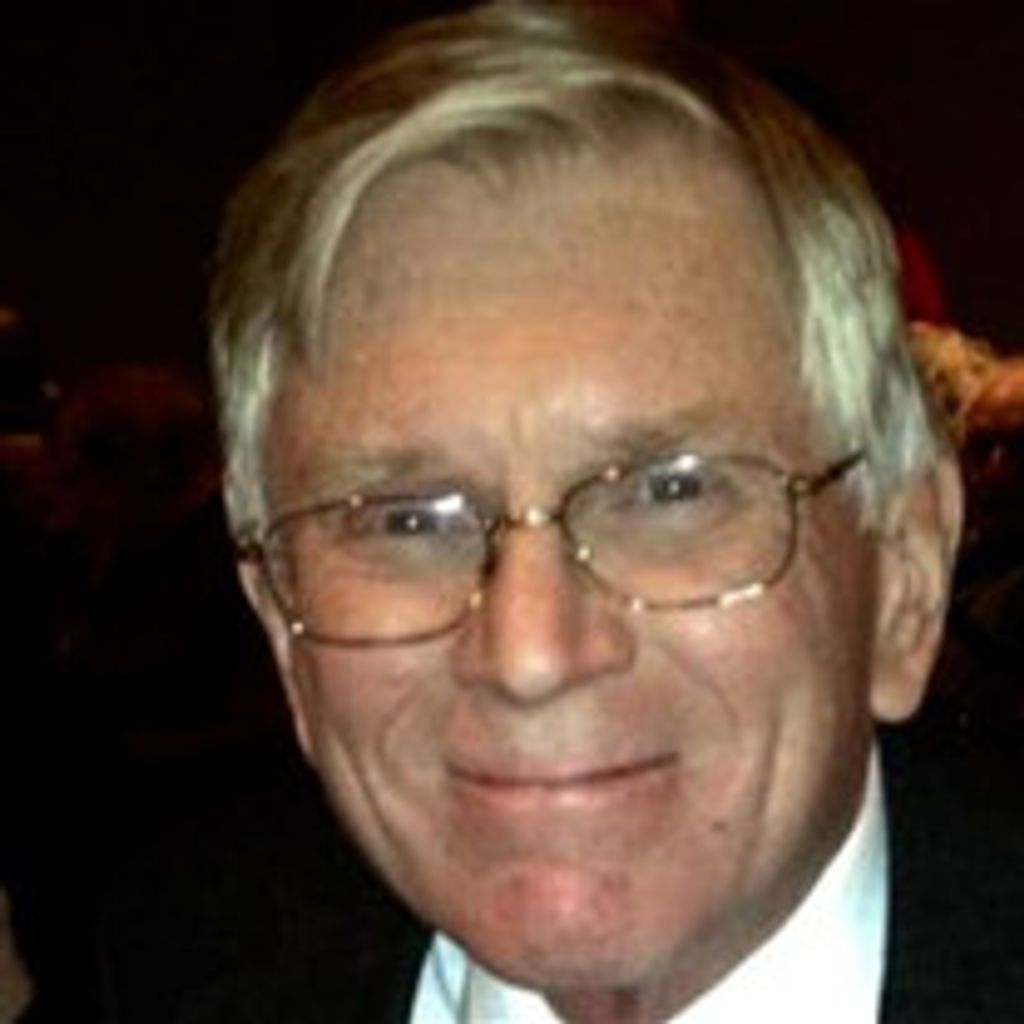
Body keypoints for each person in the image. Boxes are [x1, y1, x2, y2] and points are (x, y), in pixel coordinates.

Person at [99, 2, 1024, 1021]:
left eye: (668, 490)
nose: (529, 654)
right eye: (409, 519)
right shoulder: (165, 970)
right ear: (281, 622)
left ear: (904, 574)